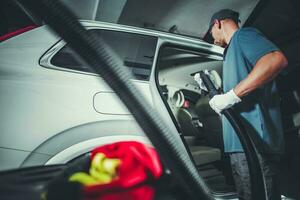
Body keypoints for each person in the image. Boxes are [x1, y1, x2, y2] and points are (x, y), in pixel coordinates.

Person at [198, 9, 288, 200]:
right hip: (238, 145)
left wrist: (230, 96)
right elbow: (238, 95)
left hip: (254, 143)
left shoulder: (243, 36)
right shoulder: (230, 52)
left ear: (218, 24)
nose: (212, 38)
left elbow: (275, 60)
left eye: (211, 32)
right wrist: (216, 95)